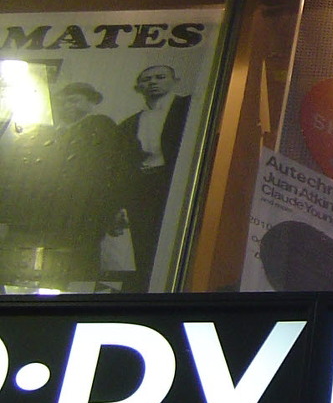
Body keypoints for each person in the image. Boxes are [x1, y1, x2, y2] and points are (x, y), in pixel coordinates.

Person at [0, 81, 132, 288]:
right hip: (39, 213)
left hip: (79, 213)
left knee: (74, 268)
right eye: (62, 102)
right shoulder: (42, 133)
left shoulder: (102, 127)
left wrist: (113, 207)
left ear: (91, 103)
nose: (67, 106)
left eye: (74, 100)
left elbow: (115, 171)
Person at [117, 64, 191, 288]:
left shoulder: (188, 108)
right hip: (143, 188)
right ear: (138, 87)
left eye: (160, 77)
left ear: (175, 81)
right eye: (147, 79)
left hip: (174, 183)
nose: (153, 82)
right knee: (142, 243)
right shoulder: (130, 123)